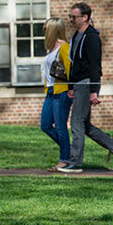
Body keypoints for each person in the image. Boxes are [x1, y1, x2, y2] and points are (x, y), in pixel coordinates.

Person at [57, 3, 113, 173]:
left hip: (87, 83)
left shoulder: (92, 37)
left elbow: (95, 66)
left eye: (74, 17)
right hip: (78, 83)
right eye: (70, 17)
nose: (71, 20)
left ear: (85, 17)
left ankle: (75, 163)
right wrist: (70, 86)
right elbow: (73, 64)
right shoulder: (76, 36)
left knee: (76, 123)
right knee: (85, 126)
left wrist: (94, 90)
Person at [40, 18, 73, 172]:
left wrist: (71, 89)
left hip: (62, 91)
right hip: (50, 92)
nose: (43, 31)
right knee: (45, 125)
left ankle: (64, 159)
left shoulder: (63, 47)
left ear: (53, 29)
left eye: (45, 28)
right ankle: (70, 150)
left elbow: (69, 70)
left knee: (60, 127)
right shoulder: (51, 49)